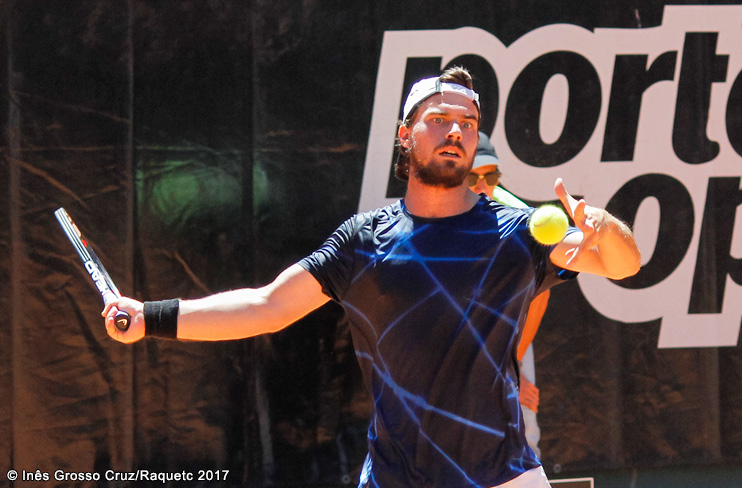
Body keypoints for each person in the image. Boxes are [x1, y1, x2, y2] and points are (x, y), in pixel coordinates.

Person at [104, 67, 641, 488]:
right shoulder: (363, 241)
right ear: (405, 134)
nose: (456, 131)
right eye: (439, 119)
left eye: (468, 123)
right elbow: (267, 306)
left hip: (504, 478)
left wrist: (603, 227)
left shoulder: (518, 232)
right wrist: (150, 317)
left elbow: (623, 264)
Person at [467, 132, 549, 457]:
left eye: (491, 176)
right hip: (455, 341)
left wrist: (509, 366)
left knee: (523, 440)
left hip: (510, 338)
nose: (483, 186)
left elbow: (539, 296)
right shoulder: (435, 214)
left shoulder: (521, 219)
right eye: (472, 176)